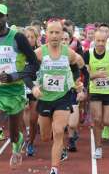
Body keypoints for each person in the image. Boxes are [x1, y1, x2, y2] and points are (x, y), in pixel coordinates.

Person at [0, 4, 38, 174]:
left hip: (14, 94)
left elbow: (34, 64)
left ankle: (17, 144)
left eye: (0, 16)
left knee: (13, 135)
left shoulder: (18, 38)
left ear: (6, 17)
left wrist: (14, 76)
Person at [32, 19, 84, 174]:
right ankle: (57, 145)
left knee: (59, 130)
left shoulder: (68, 52)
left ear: (62, 34)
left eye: (57, 32)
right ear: (46, 34)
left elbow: (79, 65)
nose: (54, 35)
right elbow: (28, 72)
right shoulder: (39, 53)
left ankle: (54, 169)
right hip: (44, 98)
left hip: (63, 97)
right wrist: (34, 86)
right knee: (46, 137)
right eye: (51, 32)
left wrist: (78, 82)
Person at [85, 30, 109, 159]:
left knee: (106, 121)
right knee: (97, 119)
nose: (100, 43)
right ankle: (98, 147)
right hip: (95, 91)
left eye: (103, 41)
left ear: (106, 41)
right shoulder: (87, 54)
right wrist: (96, 75)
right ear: (94, 40)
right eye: (98, 41)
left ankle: (108, 129)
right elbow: (86, 75)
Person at [23, 26, 40, 156]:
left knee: (34, 118)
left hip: (35, 86)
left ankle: (31, 140)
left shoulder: (39, 52)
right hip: (21, 86)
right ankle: (28, 137)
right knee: (25, 111)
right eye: (27, 37)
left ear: (36, 38)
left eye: (32, 37)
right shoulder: (19, 52)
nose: (29, 39)